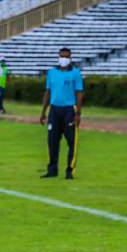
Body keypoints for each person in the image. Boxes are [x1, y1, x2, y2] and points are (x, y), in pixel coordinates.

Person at [40, 48, 83, 180]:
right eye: (62, 56)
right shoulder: (52, 73)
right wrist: (43, 112)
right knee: (52, 141)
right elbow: (48, 92)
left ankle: (70, 169)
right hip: (54, 110)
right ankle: (52, 169)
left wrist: (78, 113)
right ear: (58, 57)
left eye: (66, 56)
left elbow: (79, 93)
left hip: (69, 110)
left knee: (71, 141)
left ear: (70, 58)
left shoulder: (75, 73)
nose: (63, 59)